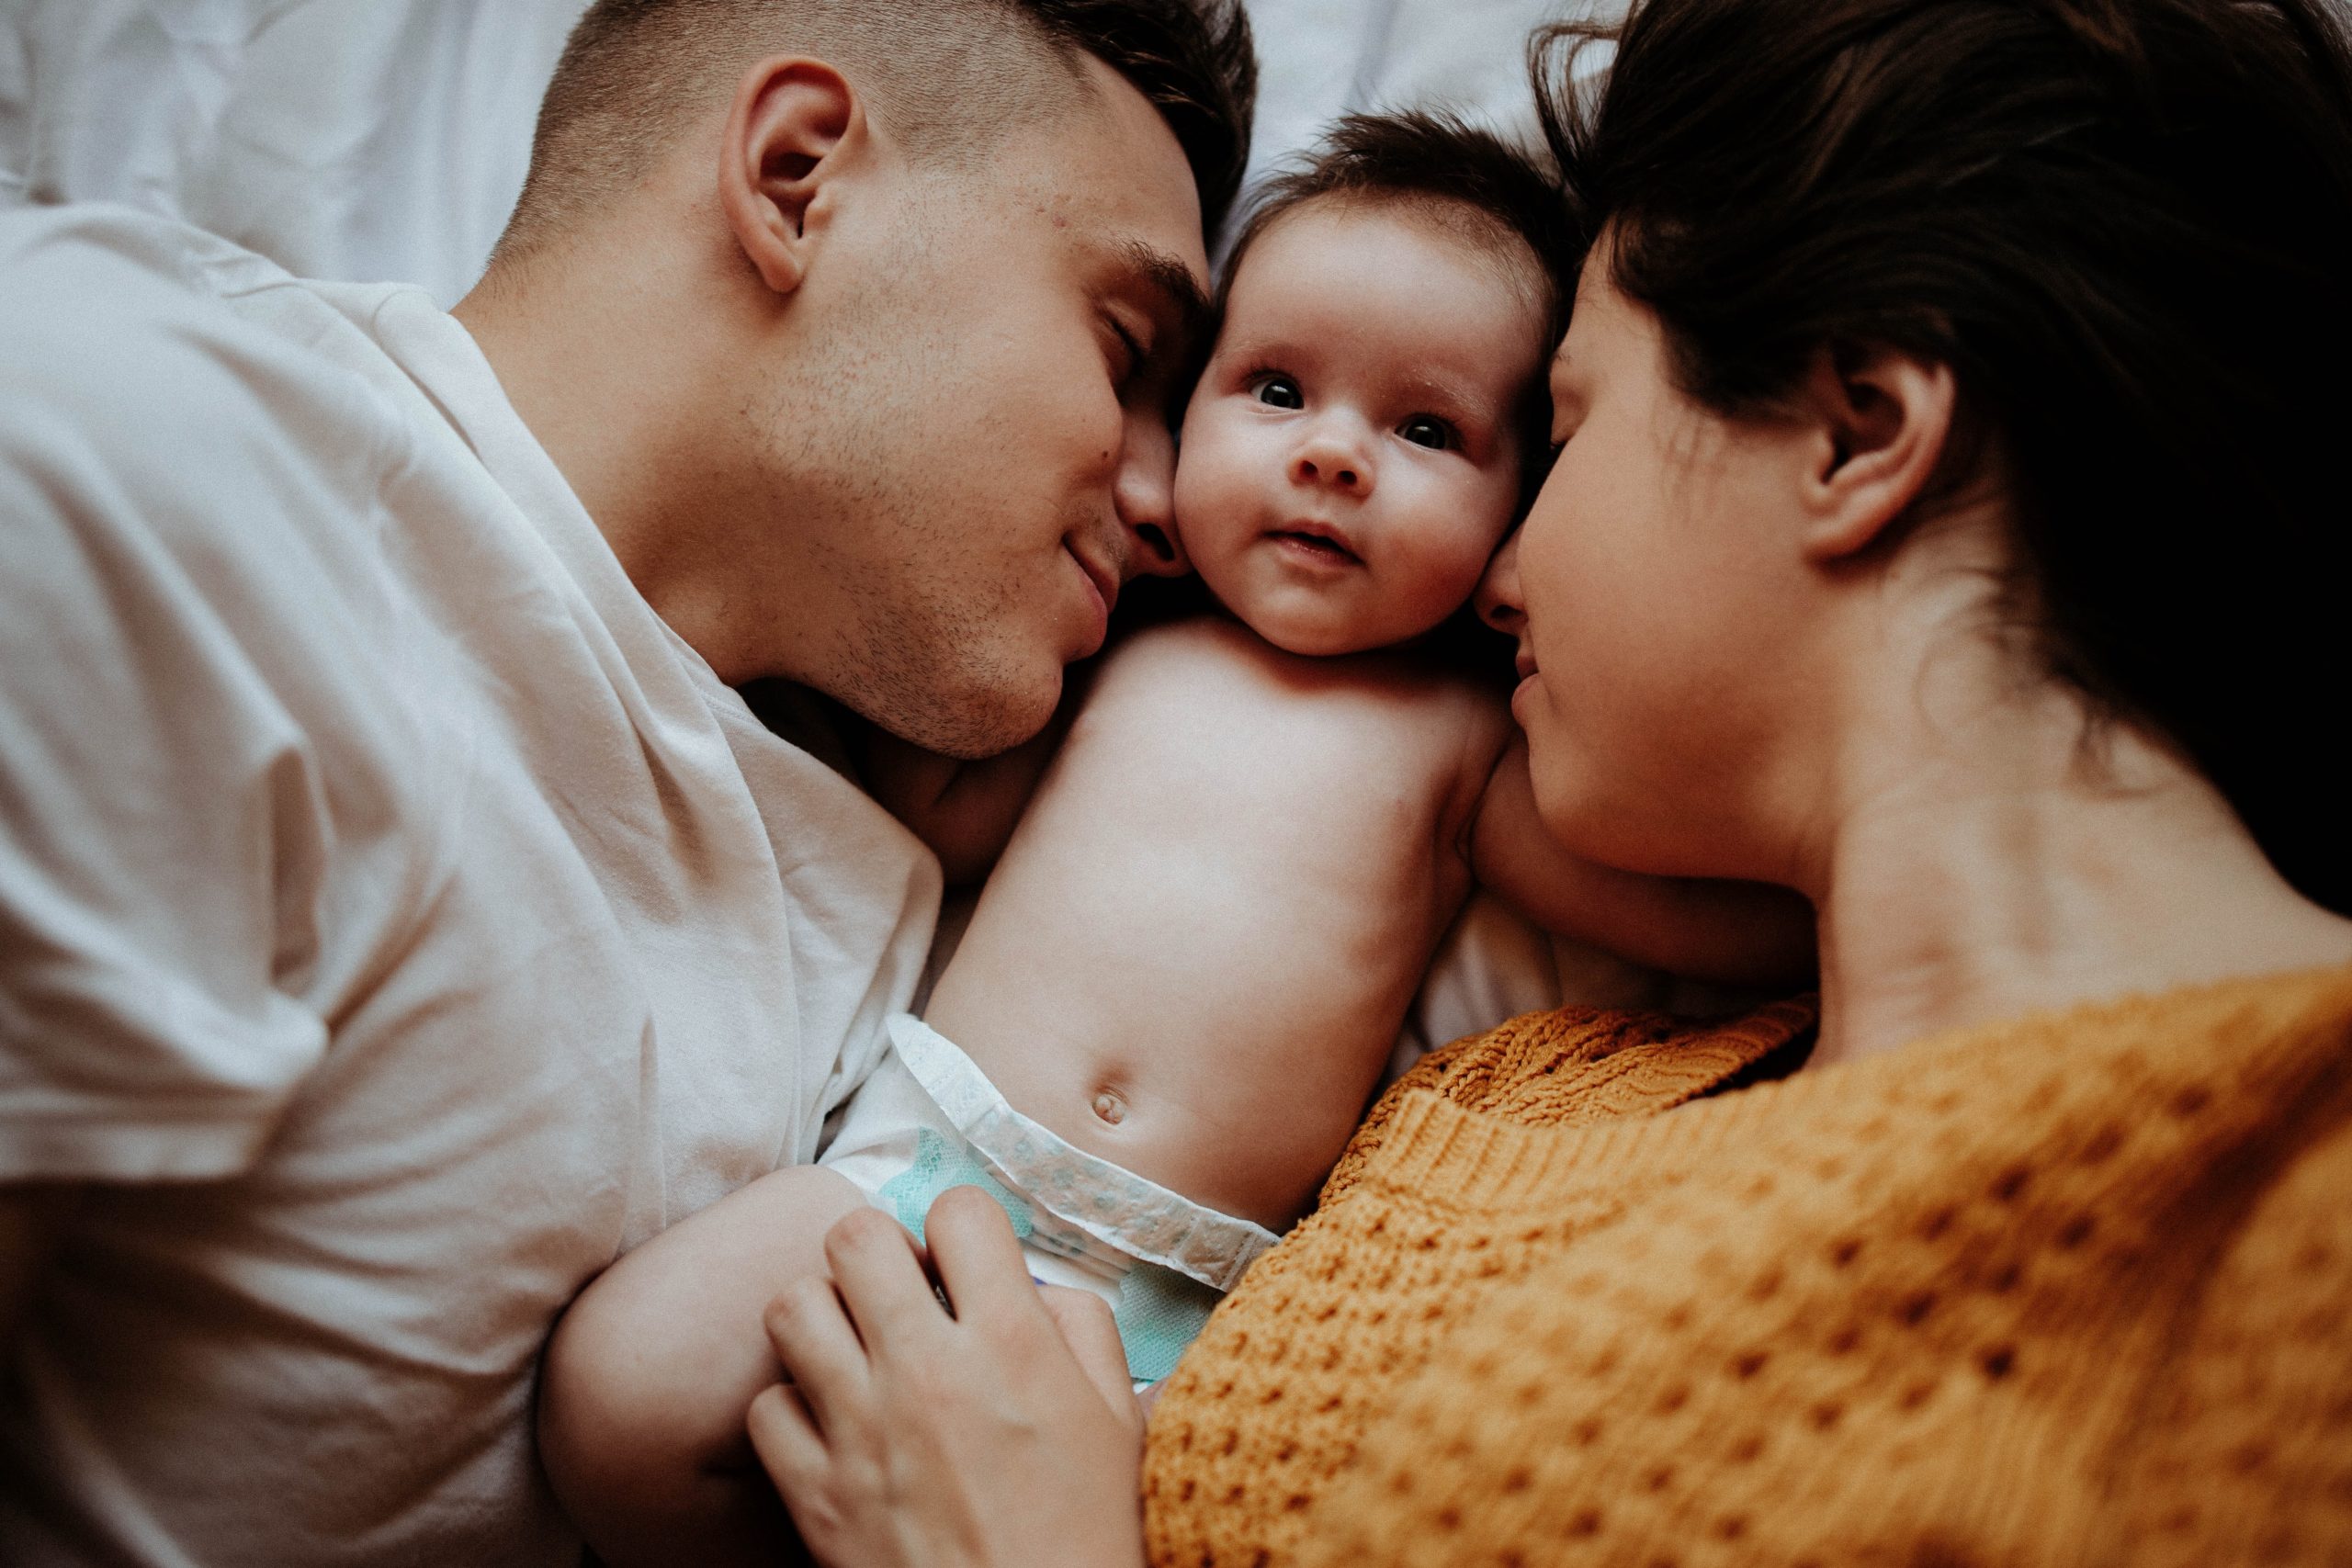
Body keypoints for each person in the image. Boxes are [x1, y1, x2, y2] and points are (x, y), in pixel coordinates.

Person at [738, 1, 2352, 1564]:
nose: (1498, 574)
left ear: (1860, 436)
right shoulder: (1533, 1085)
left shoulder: (2295, 1229)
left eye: (1562, 431)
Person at [0, 1, 1253, 1562]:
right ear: (798, 178)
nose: (1171, 496)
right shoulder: (155, 473)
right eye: (1129, 352)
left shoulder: (894, 870)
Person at [534, 110, 1813, 1568]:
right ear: (1181, 424)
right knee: (619, 1397)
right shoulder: (1110, 650)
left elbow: (1679, 908)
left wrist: (1826, 895)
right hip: (931, 1165)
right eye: (1276, 390)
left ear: (1517, 513)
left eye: (1427, 431)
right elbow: (920, 812)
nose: (1334, 457)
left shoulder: (1468, 746)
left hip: (1190, 1305)